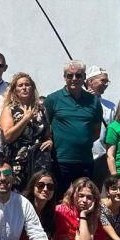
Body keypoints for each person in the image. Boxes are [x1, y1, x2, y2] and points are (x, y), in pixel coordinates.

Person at [45, 60, 103, 194]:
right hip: (60, 160)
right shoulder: (53, 99)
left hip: (85, 161)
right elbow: (45, 126)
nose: (74, 79)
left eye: (78, 75)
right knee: (60, 198)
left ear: (84, 77)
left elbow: (96, 132)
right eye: (70, 75)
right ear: (64, 77)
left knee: (83, 197)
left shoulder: (93, 101)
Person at [0, 72, 53, 190]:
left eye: (27, 85)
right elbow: (7, 137)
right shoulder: (10, 109)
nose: (24, 88)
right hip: (17, 162)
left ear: (32, 88)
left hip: (39, 162)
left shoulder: (41, 109)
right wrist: (25, 119)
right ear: (14, 90)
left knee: (38, 192)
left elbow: (47, 134)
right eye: (20, 85)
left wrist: (49, 141)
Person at [85, 66, 115, 186]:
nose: (106, 84)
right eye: (103, 80)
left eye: (107, 81)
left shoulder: (110, 106)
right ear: (90, 81)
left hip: (101, 157)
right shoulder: (77, 102)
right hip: (81, 156)